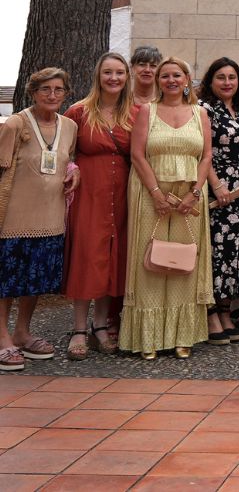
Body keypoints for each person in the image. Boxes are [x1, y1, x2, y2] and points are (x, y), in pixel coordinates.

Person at [120, 57, 213, 360]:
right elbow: (137, 155)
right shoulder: (148, 111)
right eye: (165, 76)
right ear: (158, 81)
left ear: (187, 79)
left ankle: (181, 336)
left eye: (177, 75)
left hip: (189, 196)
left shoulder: (200, 113)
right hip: (150, 192)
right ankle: (147, 337)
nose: (171, 80)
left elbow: (206, 156)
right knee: (150, 260)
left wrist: (195, 192)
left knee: (183, 261)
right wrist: (156, 193)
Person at [0, 68, 78, 370]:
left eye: (59, 89)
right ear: (33, 92)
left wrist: (75, 171)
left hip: (50, 218)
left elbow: (67, 160)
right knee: (7, 283)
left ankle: (22, 333)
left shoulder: (69, 126)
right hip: (14, 219)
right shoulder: (16, 124)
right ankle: (3, 338)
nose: (52, 95)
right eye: (45, 89)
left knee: (35, 281)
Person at [63, 53, 135, 360]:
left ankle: (101, 325)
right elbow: (63, 151)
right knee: (86, 255)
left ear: (126, 77)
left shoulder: (135, 113)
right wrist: (71, 169)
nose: (114, 78)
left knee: (112, 256)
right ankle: (79, 328)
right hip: (89, 192)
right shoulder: (78, 111)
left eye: (120, 72)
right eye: (108, 72)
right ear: (98, 76)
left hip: (122, 192)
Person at [198, 57, 239, 345]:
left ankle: (226, 312)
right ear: (211, 81)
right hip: (217, 192)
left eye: (232, 77)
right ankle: (210, 314)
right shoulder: (205, 110)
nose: (227, 82)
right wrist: (217, 185)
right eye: (221, 77)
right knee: (215, 253)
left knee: (236, 254)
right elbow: (202, 150)